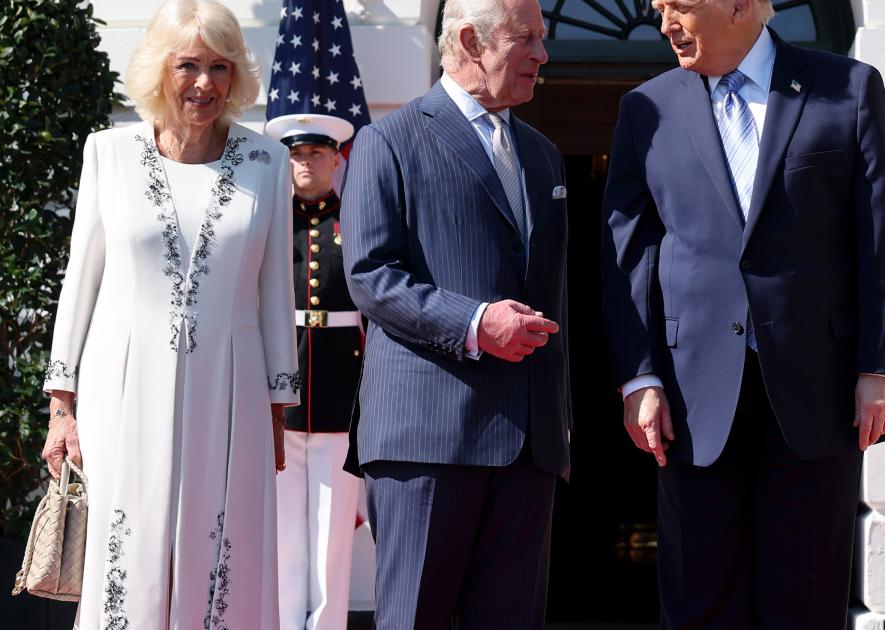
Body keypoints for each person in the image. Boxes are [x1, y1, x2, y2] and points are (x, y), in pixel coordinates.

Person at [600, 0, 885, 625]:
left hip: (817, 389)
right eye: (658, 8)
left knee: (805, 598)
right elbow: (626, 254)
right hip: (690, 400)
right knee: (699, 600)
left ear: (739, 5)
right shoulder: (646, 108)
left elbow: (881, 239)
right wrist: (639, 377)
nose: (664, 24)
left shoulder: (847, 88)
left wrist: (882, 365)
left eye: (677, 7)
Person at [37, 0, 297, 627]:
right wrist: (61, 406)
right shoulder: (109, 153)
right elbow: (83, 278)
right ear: (160, 71)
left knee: (223, 549)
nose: (204, 84)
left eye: (219, 67)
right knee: (129, 547)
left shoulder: (269, 163)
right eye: (188, 66)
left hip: (231, 390)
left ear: (236, 77)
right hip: (121, 386)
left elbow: (274, 291)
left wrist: (277, 405)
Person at [339, 0, 570, 626]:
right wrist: (474, 323)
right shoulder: (386, 141)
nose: (543, 56)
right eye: (526, 39)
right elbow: (370, 275)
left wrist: (558, 425)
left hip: (528, 447)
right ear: (472, 40)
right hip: (425, 439)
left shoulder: (544, 156)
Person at [264, 113, 361, 630]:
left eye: (316, 155)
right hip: (281, 400)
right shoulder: (269, 222)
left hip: (340, 398)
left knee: (331, 538)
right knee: (282, 534)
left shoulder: (358, 221)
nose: (306, 164)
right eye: (297, 156)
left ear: (336, 158)